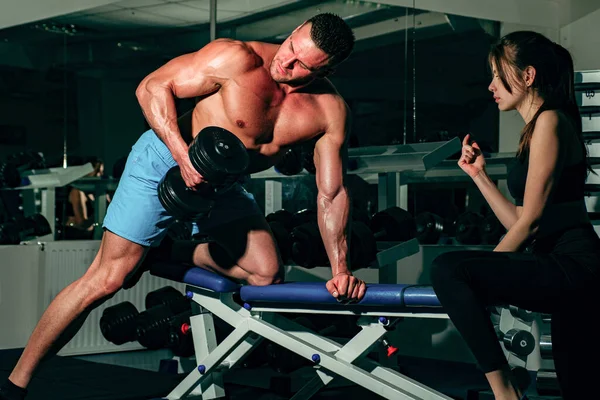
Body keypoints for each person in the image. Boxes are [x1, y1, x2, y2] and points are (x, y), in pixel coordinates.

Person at [0, 13, 366, 399]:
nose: (286, 64)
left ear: (329, 69)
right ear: (294, 31)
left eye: (302, 66)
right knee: (107, 280)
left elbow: (333, 193)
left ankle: (168, 250)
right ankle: (16, 383)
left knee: (266, 274)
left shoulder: (329, 113)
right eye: (291, 48)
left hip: (224, 185)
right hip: (166, 159)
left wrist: (340, 269)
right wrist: (183, 155)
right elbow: (152, 87)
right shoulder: (236, 59)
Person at [429, 31, 600, 400]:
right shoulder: (536, 128)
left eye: (497, 73)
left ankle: (505, 393)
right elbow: (523, 220)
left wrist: (482, 275)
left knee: (449, 269)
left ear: (528, 76)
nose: (491, 85)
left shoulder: (550, 122)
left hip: (577, 267)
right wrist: (480, 177)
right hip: (562, 266)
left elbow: (531, 223)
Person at [62, 157, 105, 240]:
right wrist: (100, 212)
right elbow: (81, 223)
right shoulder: (77, 191)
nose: (100, 175)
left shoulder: (91, 192)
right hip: (76, 236)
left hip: (88, 235)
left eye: (101, 172)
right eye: (97, 171)